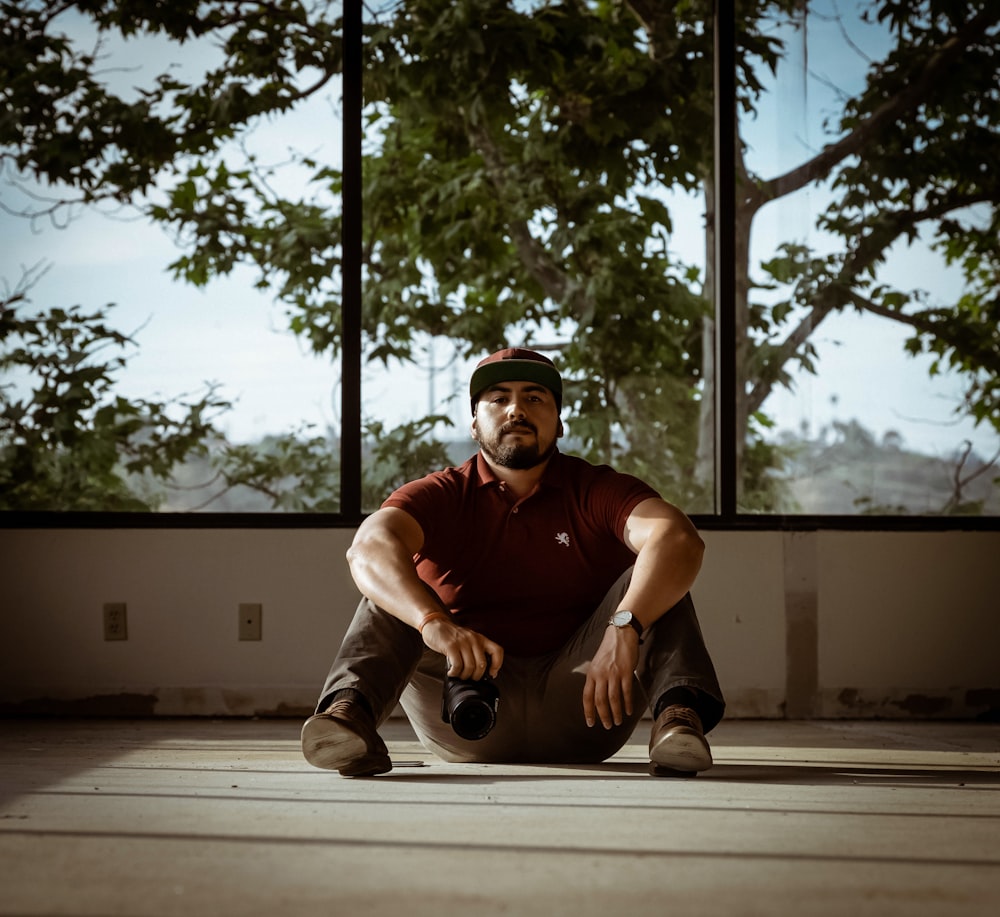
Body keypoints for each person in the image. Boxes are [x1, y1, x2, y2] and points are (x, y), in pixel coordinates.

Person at [301, 347, 725, 777]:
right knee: (394, 588)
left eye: (534, 398)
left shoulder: (596, 489)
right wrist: (435, 623)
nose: (516, 410)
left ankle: (678, 723)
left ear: (559, 423)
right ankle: (346, 719)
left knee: (656, 570)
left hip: (584, 705)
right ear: (474, 423)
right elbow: (367, 548)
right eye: (498, 398)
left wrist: (625, 627)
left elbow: (679, 539)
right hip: (462, 709)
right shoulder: (441, 494)